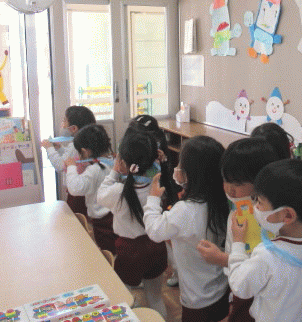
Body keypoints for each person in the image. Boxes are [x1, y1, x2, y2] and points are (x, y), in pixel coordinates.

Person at [228, 159, 302, 322]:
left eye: (259, 202)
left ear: (287, 215)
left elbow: (240, 287)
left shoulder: (267, 255)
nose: (255, 207)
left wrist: (238, 243)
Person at [144, 136, 230, 322]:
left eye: (181, 164)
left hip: (197, 299)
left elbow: (154, 231)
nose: (178, 168)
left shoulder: (185, 210)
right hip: (221, 290)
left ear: (192, 173)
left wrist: (153, 198)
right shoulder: (223, 200)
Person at [197, 137, 279, 322]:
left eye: (238, 184)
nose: (229, 189)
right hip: (237, 282)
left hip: (253, 291)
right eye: (225, 180)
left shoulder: (263, 217)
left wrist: (221, 258)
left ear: (260, 180)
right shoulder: (241, 205)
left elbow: (255, 267)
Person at [96, 127, 167, 319]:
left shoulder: (118, 191)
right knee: (156, 298)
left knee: (125, 299)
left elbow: (100, 195)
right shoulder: (157, 184)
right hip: (157, 246)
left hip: (130, 250)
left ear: (123, 163)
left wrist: (114, 171)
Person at [130, 114, 182, 287]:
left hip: (155, 193)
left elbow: (164, 175)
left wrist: (162, 161)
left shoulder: (153, 146)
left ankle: (174, 269)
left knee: (160, 236)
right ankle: (168, 268)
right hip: (151, 193)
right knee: (154, 235)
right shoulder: (148, 144)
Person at [64, 124, 116, 252]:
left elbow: (75, 188)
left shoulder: (95, 169)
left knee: (106, 251)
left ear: (85, 151)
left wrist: (71, 166)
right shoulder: (113, 161)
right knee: (112, 248)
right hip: (115, 215)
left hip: (102, 221)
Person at [41, 105, 96, 214]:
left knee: (76, 218)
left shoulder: (76, 145)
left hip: (78, 194)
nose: (63, 125)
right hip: (85, 189)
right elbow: (70, 158)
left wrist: (49, 148)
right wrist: (59, 148)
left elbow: (60, 165)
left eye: (64, 121)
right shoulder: (84, 142)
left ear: (74, 128)